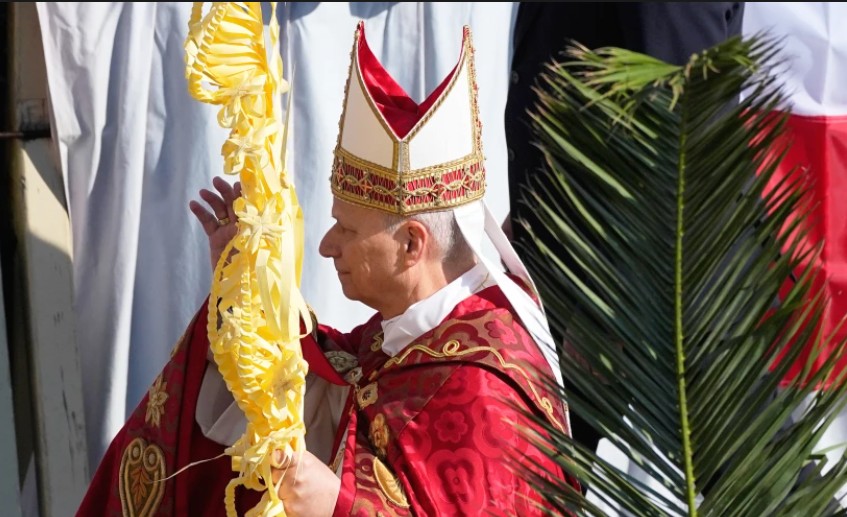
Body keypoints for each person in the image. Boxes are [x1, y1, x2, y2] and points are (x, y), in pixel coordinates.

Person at [76, 21, 578, 516]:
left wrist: (335, 506)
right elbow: (337, 381)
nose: (325, 246)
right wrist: (245, 295)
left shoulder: (484, 392)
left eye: (347, 229)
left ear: (410, 244)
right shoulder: (424, 332)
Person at [503, 1, 746, 456]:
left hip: (644, 287)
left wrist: (609, 315)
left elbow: (680, 141)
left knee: (758, 482)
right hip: (574, 270)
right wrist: (527, 210)